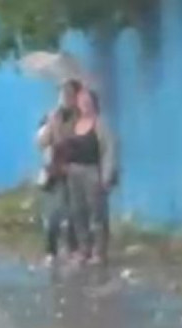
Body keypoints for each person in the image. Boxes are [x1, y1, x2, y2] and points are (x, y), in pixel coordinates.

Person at [63, 88, 118, 265]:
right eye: (81, 100)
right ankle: (83, 249)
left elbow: (109, 150)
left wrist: (106, 175)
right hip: (74, 172)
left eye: (87, 101)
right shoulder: (73, 123)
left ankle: (99, 252)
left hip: (93, 172)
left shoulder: (100, 124)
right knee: (78, 212)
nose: (84, 104)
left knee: (97, 213)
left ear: (94, 103)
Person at [36, 79, 83, 265]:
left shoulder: (80, 118)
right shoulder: (50, 117)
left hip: (71, 170)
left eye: (70, 94)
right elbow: (40, 143)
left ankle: (73, 249)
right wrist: (49, 126)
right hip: (52, 172)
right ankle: (51, 251)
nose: (65, 98)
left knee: (72, 213)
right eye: (63, 94)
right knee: (52, 214)